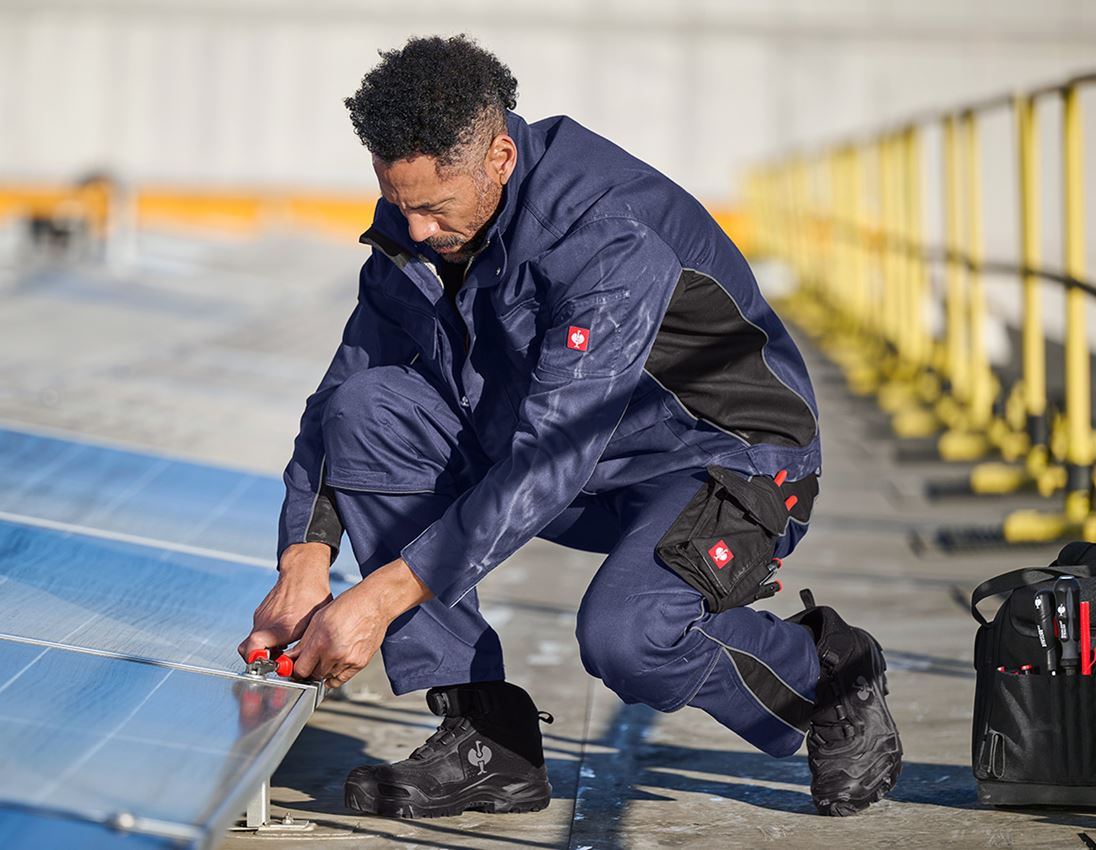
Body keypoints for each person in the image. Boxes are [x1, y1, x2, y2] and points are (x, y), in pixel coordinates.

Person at [239, 34, 901, 820]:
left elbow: (550, 457)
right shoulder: (417, 229)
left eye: (432, 207)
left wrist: (379, 599)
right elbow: (342, 393)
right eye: (398, 201)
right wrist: (305, 557)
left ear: (499, 158)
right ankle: (485, 739)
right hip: (581, 463)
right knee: (371, 410)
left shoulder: (604, 232)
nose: (413, 229)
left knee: (628, 636)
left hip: (725, 460)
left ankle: (829, 676)